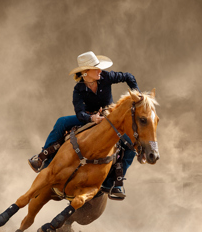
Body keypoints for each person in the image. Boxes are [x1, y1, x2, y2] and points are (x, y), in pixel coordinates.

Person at [28, 51, 139, 199]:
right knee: (62, 122)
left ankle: (116, 183)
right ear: (86, 73)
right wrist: (91, 118)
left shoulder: (106, 77)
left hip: (109, 117)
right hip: (88, 117)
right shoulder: (78, 89)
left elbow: (128, 77)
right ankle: (43, 159)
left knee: (131, 145)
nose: (100, 71)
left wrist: (136, 95)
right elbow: (79, 113)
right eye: (96, 68)